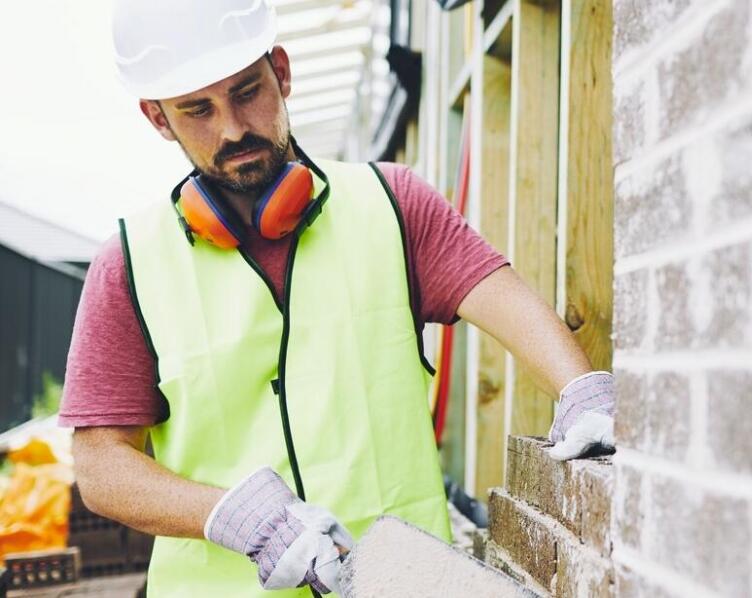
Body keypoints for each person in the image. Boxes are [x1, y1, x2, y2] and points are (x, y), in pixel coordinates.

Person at [59, 1, 615, 596]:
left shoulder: (392, 206)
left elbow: (505, 300)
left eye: (248, 92)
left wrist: (579, 387)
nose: (232, 129)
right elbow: (101, 468)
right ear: (158, 118)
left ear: (282, 70)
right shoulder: (130, 264)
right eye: (197, 110)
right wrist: (231, 516)